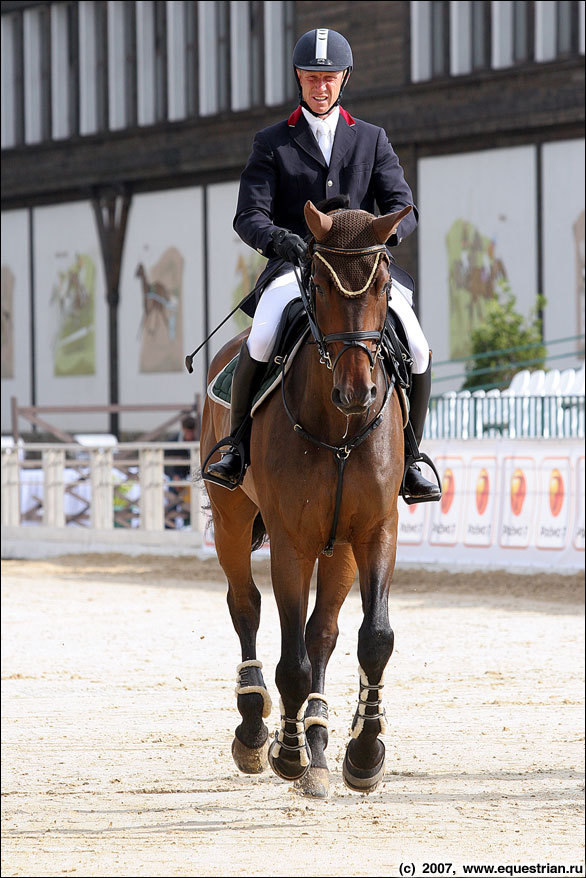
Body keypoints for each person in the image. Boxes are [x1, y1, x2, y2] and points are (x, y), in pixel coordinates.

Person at [205, 27, 440, 502]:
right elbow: (248, 214)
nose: (321, 87)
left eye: (329, 78)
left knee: (416, 345)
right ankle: (234, 447)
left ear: (344, 79)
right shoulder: (272, 142)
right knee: (265, 334)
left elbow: (403, 205)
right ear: (299, 78)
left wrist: (379, 236)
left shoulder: (371, 139)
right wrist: (279, 239)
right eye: (312, 78)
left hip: (360, 272)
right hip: (297, 268)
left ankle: (412, 457)